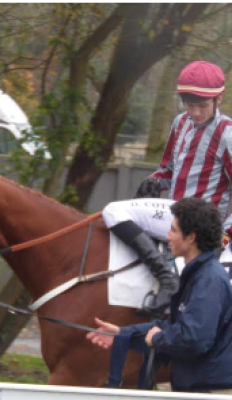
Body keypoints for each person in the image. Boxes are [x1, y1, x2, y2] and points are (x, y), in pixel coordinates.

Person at [103, 60, 232, 316]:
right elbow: (168, 169)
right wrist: (155, 180)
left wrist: (226, 232)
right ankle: (165, 276)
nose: (195, 112)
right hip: (174, 214)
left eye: (202, 106)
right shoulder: (179, 123)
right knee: (111, 211)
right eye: (189, 104)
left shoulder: (227, 133)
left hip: (205, 224)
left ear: (218, 99)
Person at [88, 198, 232, 393]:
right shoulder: (198, 274)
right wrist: (124, 334)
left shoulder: (209, 280)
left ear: (191, 238)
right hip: (198, 388)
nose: (168, 236)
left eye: (173, 230)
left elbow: (194, 339)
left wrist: (158, 339)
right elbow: (175, 327)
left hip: (211, 392)